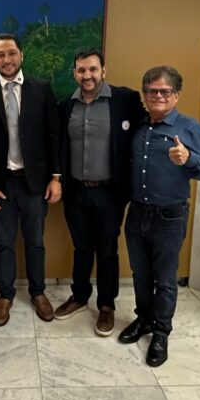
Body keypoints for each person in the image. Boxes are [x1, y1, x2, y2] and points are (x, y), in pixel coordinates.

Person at [119, 65, 200, 367]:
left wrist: (189, 158)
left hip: (170, 217)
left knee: (165, 279)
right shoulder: (139, 126)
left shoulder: (188, 128)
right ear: (145, 95)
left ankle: (161, 333)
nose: (157, 96)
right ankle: (144, 319)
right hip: (137, 213)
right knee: (140, 274)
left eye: (164, 91)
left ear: (176, 95)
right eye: (151, 91)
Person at [54, 48, 146, 336]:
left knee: (107, 250)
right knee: (81, 247)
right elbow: (58, 146)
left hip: (110, 192)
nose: (87, 75)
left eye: (93, 69)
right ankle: (80, 297)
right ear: (75, 73)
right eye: (81, 70)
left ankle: (106, 305)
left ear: (103, 71)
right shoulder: (65, 106)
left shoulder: (125, 100)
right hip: (75, 192)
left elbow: (148, 129)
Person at [0, 33, 62, 326]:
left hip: (35, 183)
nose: (7, 59)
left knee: (35, 241)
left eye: (11, 53)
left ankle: (38, 292)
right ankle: (5, 295)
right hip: (0, 184)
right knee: (4, 243)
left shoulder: (41, 89)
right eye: (0, 55)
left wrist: (56, 177)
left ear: (21, 55)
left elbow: (54, 136)